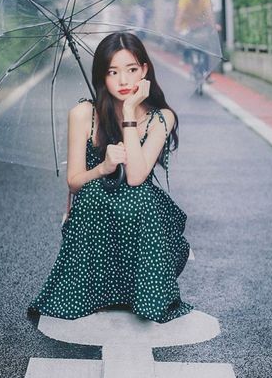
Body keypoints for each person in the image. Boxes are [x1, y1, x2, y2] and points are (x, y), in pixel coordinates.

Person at [27, 32, 194, 324]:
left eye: (131, 70)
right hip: (97, 211)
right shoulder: (83, 114)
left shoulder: (162, 117)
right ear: (102, 77)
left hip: (140, 215)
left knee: (140, 196)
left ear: (144, 71)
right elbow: (75, 181)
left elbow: (137, 177)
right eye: (113, 72)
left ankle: (145, 291)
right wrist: (103, 167)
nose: (124, 81)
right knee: (92, 192)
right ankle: (95, 289)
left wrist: (129, 115)